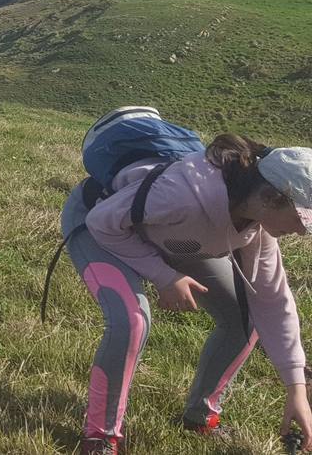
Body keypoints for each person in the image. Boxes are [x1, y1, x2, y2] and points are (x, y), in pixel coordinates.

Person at [61, 133, 312, 453]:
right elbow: (103, 223)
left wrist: (296, 388)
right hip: (99, 224)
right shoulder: (181, 196)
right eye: (301, 217)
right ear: (270, 197)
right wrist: (165, 276)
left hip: (169, 234)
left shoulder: (257, 228)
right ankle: (100, 436)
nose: (303, 230)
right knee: (132, 320)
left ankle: (200, 417)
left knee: (244, 317)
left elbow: (273, 303)